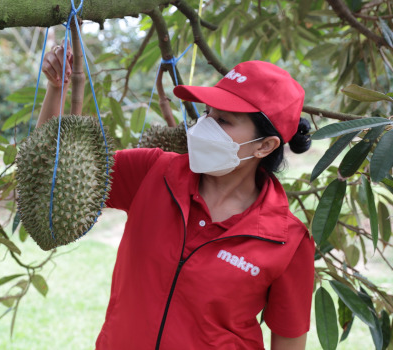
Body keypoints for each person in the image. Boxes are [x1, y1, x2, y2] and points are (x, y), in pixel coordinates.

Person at [36, 43, 315, 350]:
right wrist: (57, 90)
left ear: (265, 146)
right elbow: (52, 176)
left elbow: (289, 342)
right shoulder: (152, 171)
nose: (205, 126)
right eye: (208, 114)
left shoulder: (287, 241)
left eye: (223, 121)